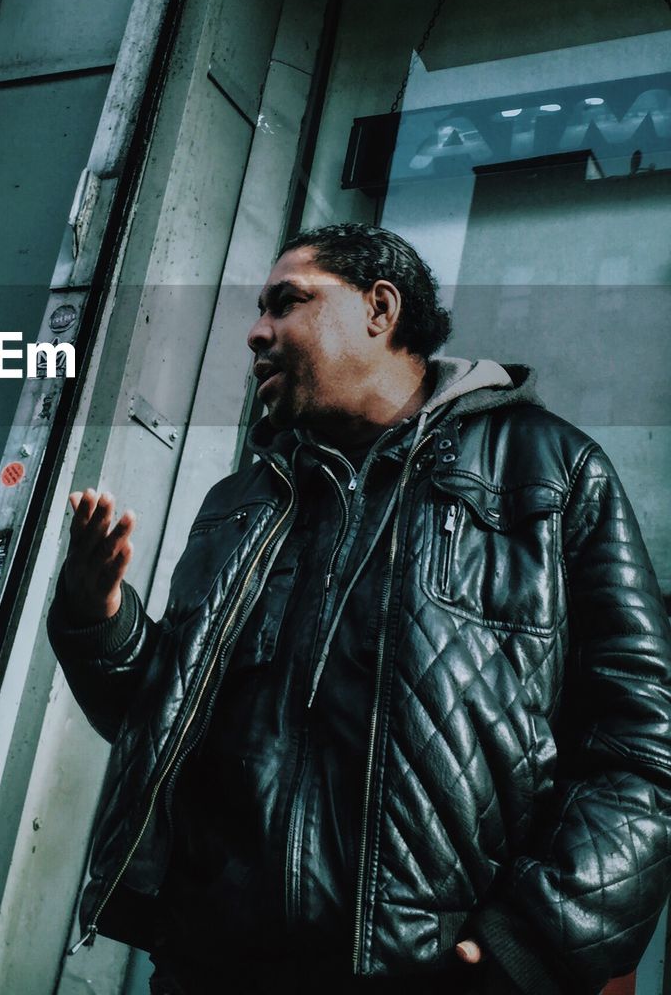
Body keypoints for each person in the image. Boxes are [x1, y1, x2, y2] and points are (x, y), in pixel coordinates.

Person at [49, 223, 671, 994]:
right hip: (210, 968)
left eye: (287, 302)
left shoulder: (546, 473)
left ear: (380, 309)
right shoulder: (242, 502)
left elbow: (644, 751)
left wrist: (530, 945)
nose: (256, 332)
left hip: (431, 977)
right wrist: (94, 613)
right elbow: (160, 720)